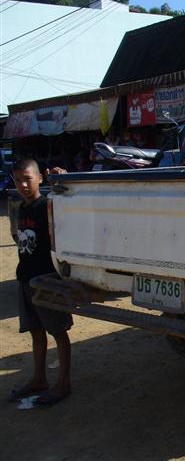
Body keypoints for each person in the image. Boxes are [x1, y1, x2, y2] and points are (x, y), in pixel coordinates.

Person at [9, 159, 73, 406]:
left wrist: (64, 179)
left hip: (47, 280)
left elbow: (69, 203)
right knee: (36, 330)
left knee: (58, 331)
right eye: (18, 180)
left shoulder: (48, 205)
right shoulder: (22, 208)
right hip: (26, 279)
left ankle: (63, 383)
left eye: (28, 179)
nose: (23, 185)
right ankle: (39, 378)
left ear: (39, 178)